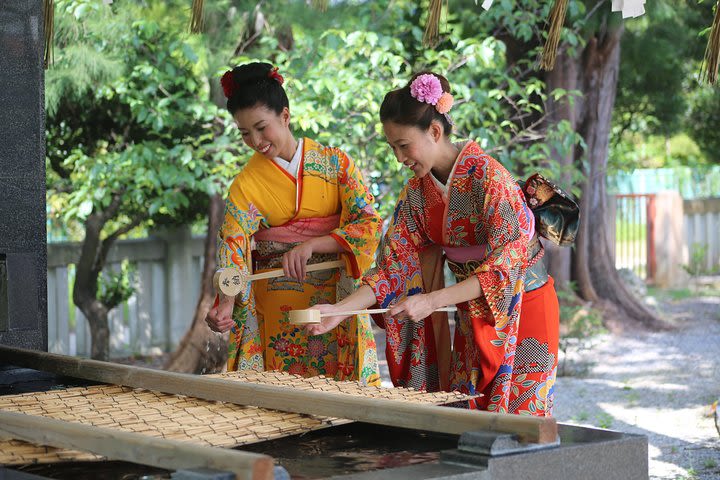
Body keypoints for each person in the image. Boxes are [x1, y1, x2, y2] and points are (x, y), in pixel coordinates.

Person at [307, 72, 577, 416]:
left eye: (404, 145)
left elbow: (502, 269)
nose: (399, 157)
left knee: (522, 425)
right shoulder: (417, 194)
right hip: (470, 312)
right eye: (392, 147)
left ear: (435, 131)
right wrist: (342, 310)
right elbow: (394, 267)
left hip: (523, 307)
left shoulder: (490, 178)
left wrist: (432, 300)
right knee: (470, 422)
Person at [205, 62, 383, 386]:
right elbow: (233, 244)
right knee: (279, 394)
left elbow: (369, 224)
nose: (256, 141)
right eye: (245, 133)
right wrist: (226, 302)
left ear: (285, 116)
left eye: (262, 127)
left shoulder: (336, 163)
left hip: (336, 298)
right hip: (276, 304)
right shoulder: (246, 184)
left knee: (341, 398)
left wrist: (314, 244)